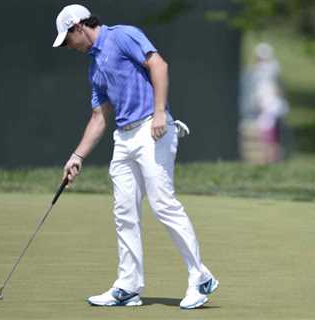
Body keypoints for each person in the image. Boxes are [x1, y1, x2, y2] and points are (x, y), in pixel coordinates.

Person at [52, 4, 218, 309]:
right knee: (124, 210)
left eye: (67, 39)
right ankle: (128, 285)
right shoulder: (94, 66)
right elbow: (99, 117)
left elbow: (159, 65)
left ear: (79, 27)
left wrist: (158, 113)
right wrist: (77, 156)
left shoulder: (122, 36)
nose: (67, 46)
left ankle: (200, 276)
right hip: (124, 137)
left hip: (152, 130)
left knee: (162, 203)